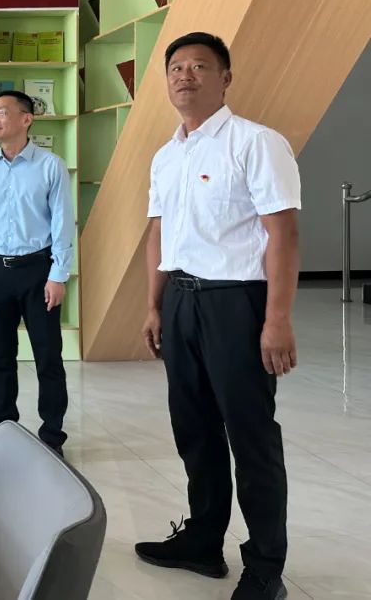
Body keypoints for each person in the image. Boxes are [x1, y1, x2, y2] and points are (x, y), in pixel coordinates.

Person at [134, 33, 300, 600]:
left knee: (250, 435)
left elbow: (283, 233)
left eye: (200, 66)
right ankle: (204, 540)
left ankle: (266, 569)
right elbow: (158, 233)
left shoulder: (256, 143)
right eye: (176, 67)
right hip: (180, 300)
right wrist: (154, 304)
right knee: (194, 429)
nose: (185, 75)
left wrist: (277, 318)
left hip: (237, 301)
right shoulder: (167, 155)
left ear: (225, 78)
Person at [0, 90, 74, 457]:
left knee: (48, 357)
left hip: (38, 272)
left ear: (27, 119)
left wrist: (58, 275)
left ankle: (52, 436)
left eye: (2, 112)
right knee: (0, 359)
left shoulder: (50, 166)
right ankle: (1, 429)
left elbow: (62, 224)